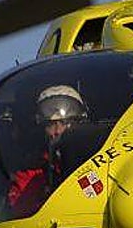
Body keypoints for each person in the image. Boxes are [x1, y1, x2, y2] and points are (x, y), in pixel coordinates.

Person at [7, 85, 89, 217]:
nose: (57, 131)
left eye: (64, 122)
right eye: (51, 124)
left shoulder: (100, 160)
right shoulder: (32, 173)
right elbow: (22, 216)